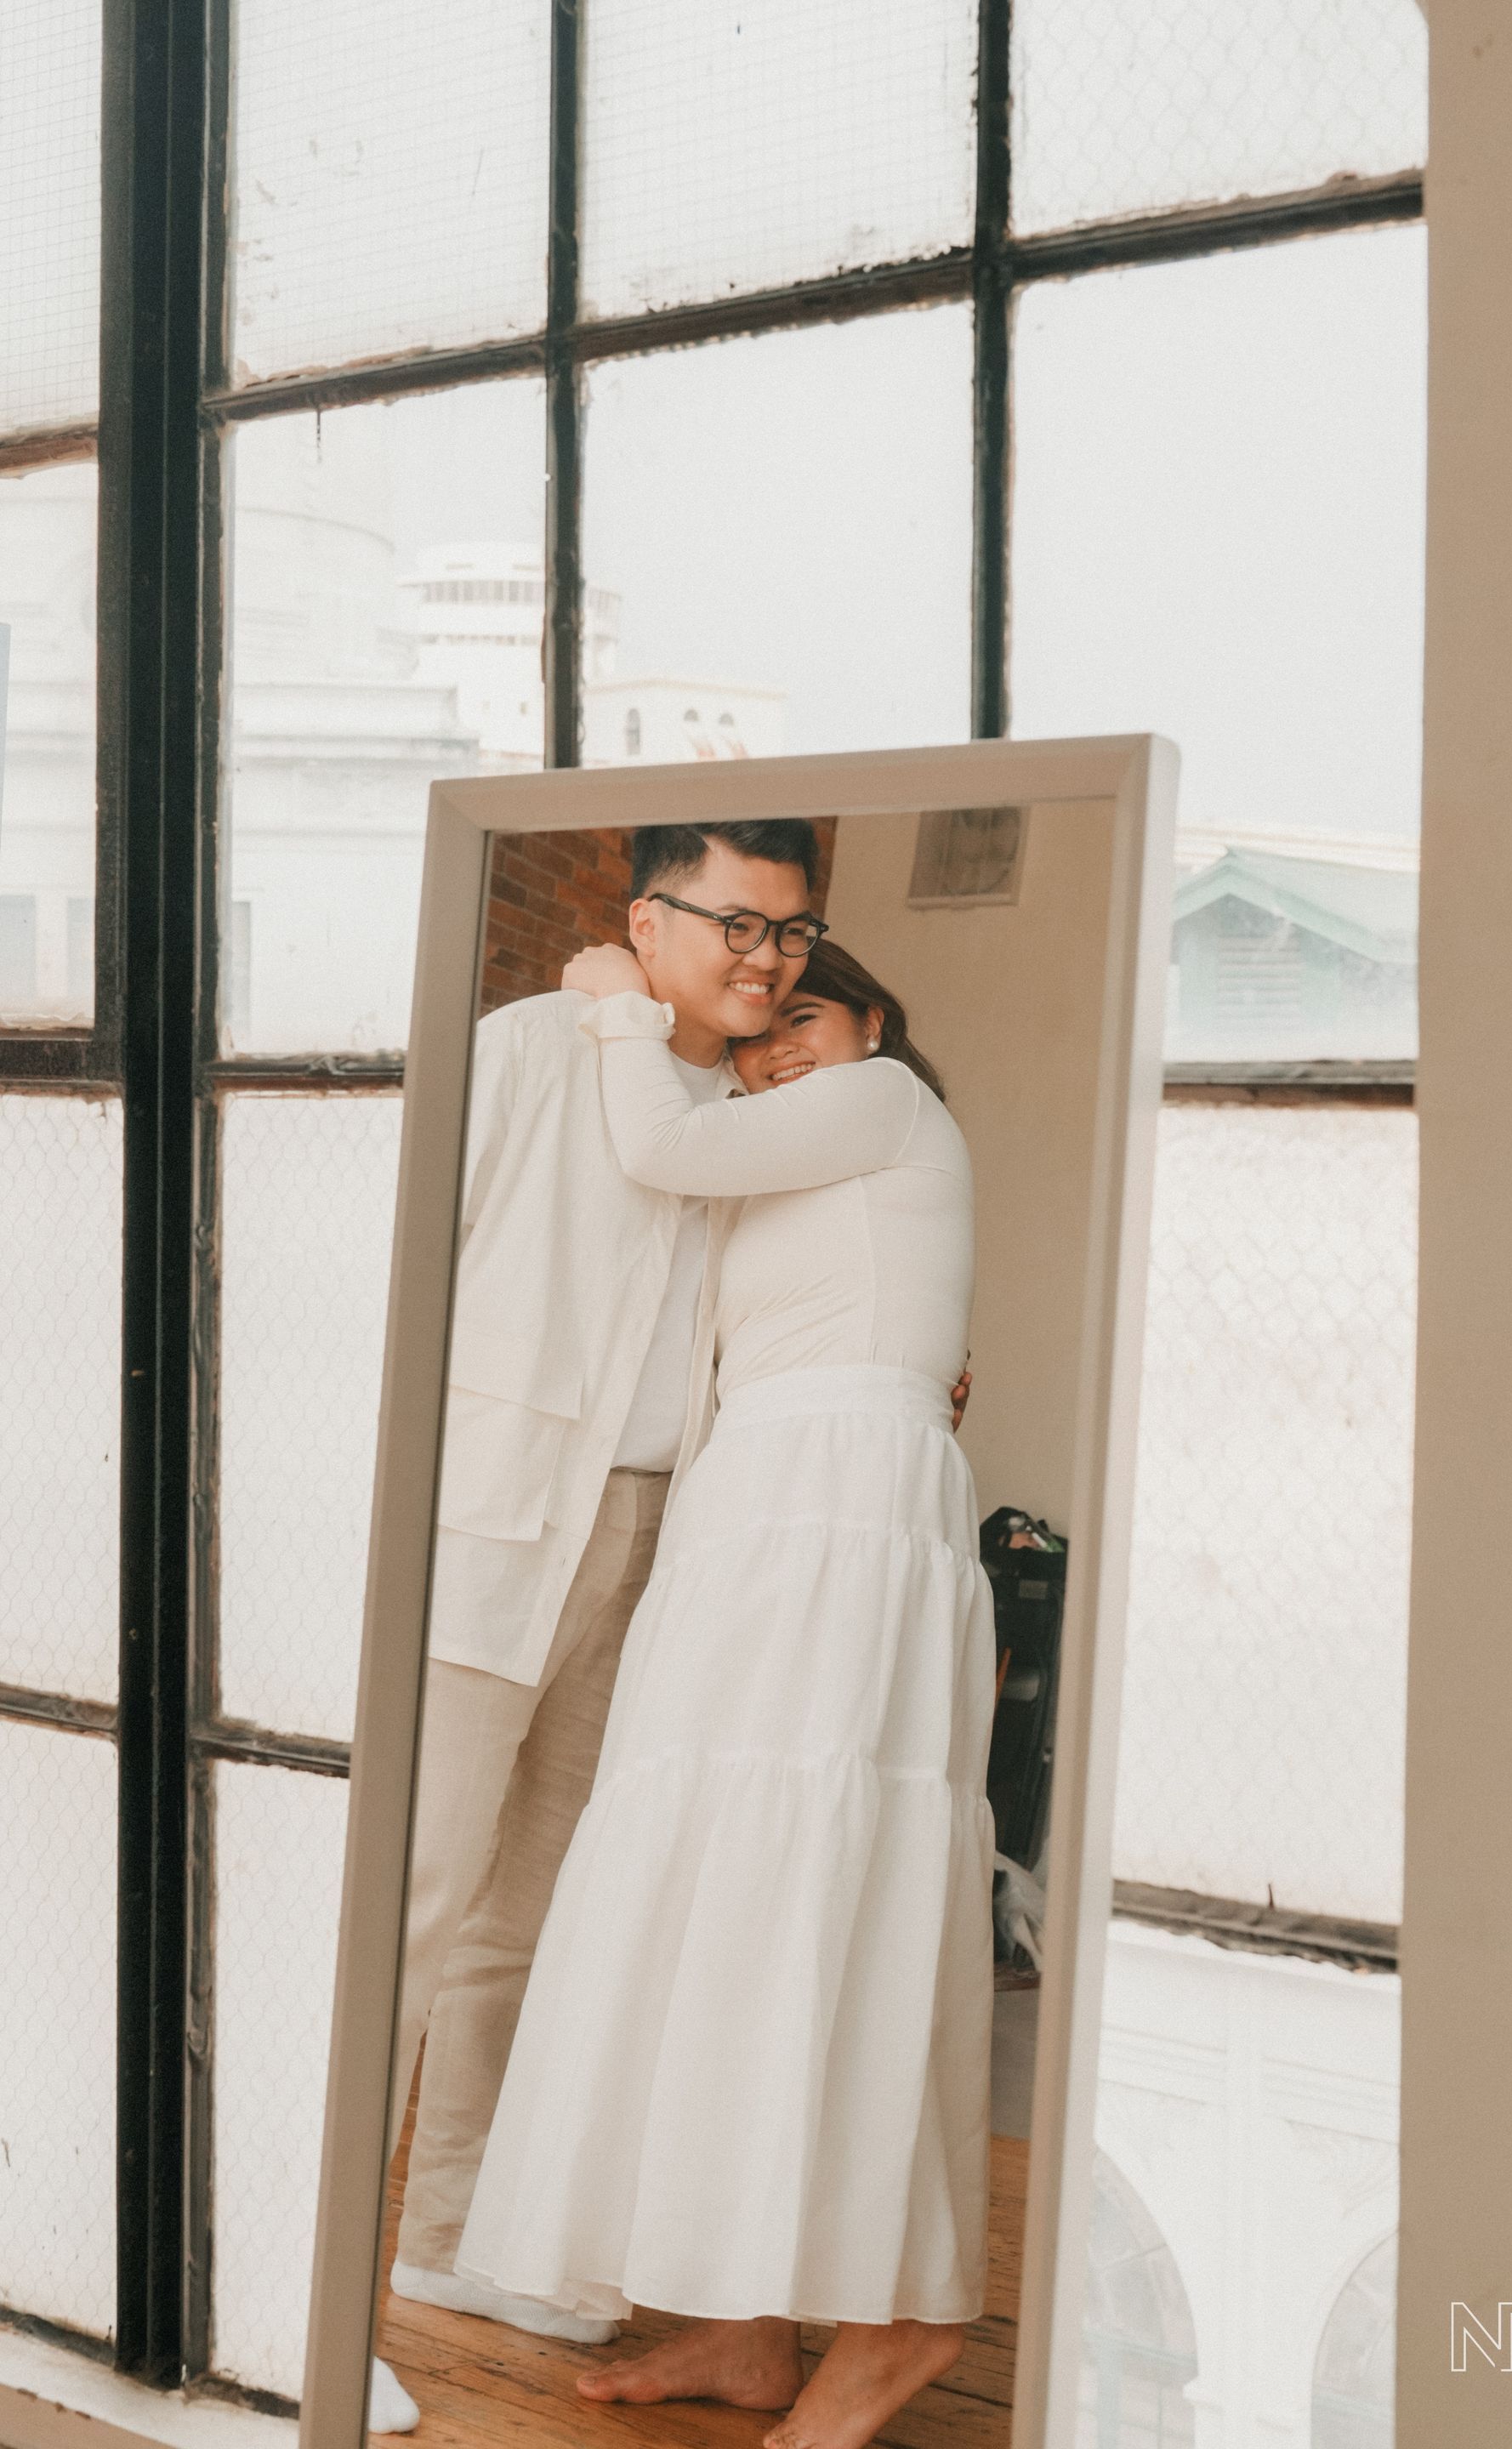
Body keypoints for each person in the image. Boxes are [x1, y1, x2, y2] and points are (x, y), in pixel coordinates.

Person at [456, 940, 998, 2449]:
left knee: (825, 1872)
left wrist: (619, 1005)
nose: (774, 1051)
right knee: (739, 1888)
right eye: (757, 1035)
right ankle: (754, 2319)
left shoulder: (884, 1099)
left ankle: (904, 2314)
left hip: (840, 1496)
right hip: (758, 1498)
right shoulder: (795, 1158)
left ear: (873, 1019)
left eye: (800, 1014)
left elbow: (661, 1143)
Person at [369, 821, 826, 2434]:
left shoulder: (760, 1109)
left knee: (532, 1915)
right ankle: (300, 2268)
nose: (767, 958)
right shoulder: (524, 1052)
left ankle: (447, 2239)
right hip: (486, 1520)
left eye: (792, 932)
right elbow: (402, 1276)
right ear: (645, 922)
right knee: (410, 1903)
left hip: (655, 1537)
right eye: (737, 923)